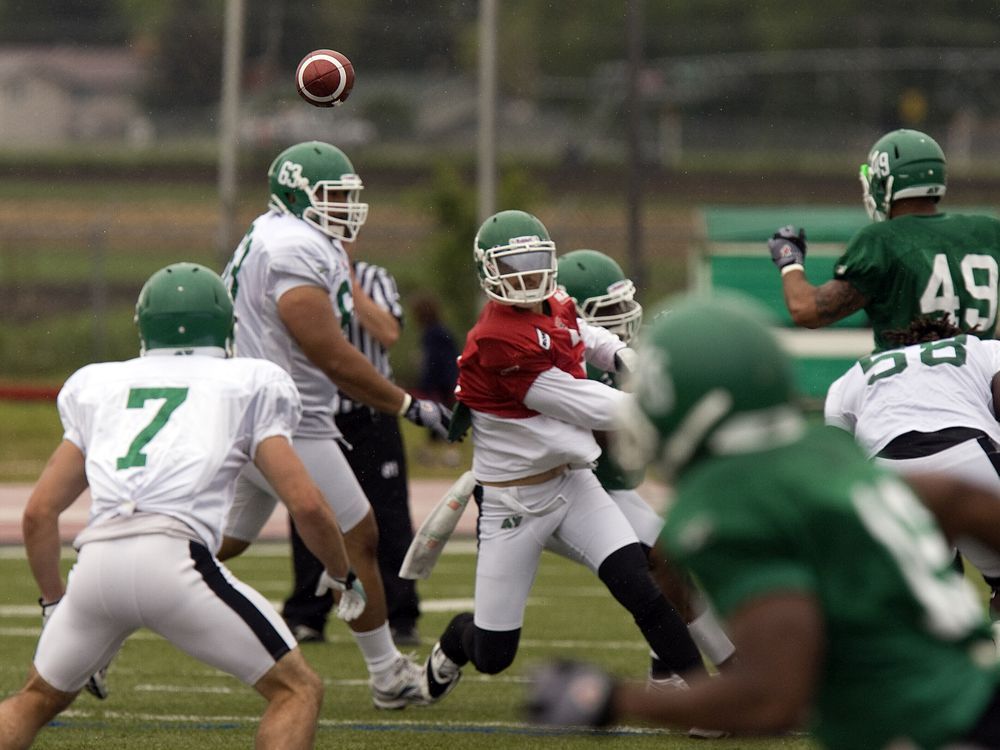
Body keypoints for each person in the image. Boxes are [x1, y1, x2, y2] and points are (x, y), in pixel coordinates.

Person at [525, 293, 1000, 748]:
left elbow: (773, 698)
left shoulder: (725, 503)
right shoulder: (823, 451)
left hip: (938, 726)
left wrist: (609, 699)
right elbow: (952, 495)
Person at [0, 263, 367, 750]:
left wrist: (54, 603)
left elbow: (38, 514)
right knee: (297, 690)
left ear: (142, 325)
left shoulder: (100, 385)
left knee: (36, 698)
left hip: (96, 568)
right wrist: (342, 574)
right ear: (225, 324)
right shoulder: (247, 382)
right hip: (175, 561)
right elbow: (307, 503)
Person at [419, 210, 707, 715]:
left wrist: (623, 357)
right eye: (514, 266)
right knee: (493, 653)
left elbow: (584, 334)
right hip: (513, 502)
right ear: (488, 272)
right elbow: (576, 400)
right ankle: (454, 641)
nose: (527, 277)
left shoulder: (553, 300)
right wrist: (660, 402)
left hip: (572, 484)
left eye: (534, 262)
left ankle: (705, 699)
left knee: (640, 584)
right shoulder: (496, 338)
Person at [218, 141, 450, 710]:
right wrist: (407, 405)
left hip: (262, 408)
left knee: (219, 542)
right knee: (360, 533)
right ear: (297, 195)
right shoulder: (296, 244)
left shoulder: (281, 234)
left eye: (349, 196)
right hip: (284, 417)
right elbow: (330, 352)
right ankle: (388, 673)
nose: (346, 207)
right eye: (333, 196)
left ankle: (102, 594)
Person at [556, 249, 735, 683]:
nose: (622, 317)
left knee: (668, 564)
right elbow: (615, 446)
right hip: (556, 493)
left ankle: (685, 668)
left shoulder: (611, 354)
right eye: (608, 310)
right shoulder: (563, 365)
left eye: (623, 304)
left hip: (604, 488)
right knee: (656, 565)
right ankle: (724, 671)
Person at [282, 255, 422, 648]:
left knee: (389, 517)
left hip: (371, 416)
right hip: (316, 415)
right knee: (309, 511)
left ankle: (401, 614)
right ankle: (307, 615)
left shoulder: (375, 277)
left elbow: (388, 333)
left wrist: (349, 285)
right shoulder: (296, 279)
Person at [825, 314, 1000, 612]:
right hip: (969, 451)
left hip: (888, 470)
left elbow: (836, 456)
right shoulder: (978, 348)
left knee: (925, 598)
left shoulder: (853, 375)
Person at [767, 128, 1000, 352]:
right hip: (977, 386)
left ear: (884, 183)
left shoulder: (881, 240)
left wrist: (791, 262)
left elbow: (807, 310)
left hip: (907, 384)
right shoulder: (988, 230)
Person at [411, 293, 460, 467]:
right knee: (437, 418)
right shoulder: (438, 332)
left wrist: (429, 384)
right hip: (445, 382)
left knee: (442, 418)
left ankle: (450, 453)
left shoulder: (434, 335)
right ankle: (434, 451)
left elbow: (438, 363)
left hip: (441, 385)